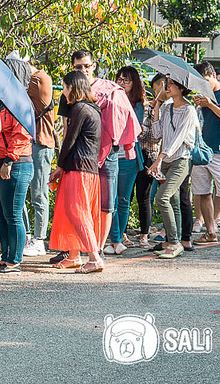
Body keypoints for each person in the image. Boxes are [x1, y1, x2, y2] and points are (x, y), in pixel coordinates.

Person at [52, 50, 140, 264]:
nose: (82, 70)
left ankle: (96, 251)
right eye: (78, 66)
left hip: (104, 153)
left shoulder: (109, 91)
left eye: (86, 66)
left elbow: (122, 121)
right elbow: (67, 131)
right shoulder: (71, 93)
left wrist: (61, 164)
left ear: (93, 66)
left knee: (103, 204)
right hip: (81, 158)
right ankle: (74, 253)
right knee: (75, 206)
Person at [48, 71, 104, 273]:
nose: (63, 91)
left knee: (76, 211)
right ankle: (73, 255)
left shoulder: (80, 108)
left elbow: (69, 140)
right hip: (87, 168)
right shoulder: (91, 108)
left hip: (79, 168)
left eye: (64, 87)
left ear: (72, 87)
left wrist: (59, 167)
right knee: (71, 211)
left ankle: (94, 257)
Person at [0, 59, 34, 275]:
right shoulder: (0, 100)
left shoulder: (19, 101)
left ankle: (14, 259)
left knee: (13, 213)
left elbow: (21, 134)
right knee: (1, 213)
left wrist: (9, 160)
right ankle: (6, 256)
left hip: (15, 163)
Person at [149, 77, 198, 259]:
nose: (166, 87)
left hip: (180, 161)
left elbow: (178, 139)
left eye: (170, 85)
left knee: (162, 198)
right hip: (168, 160)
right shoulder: (167, 108)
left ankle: (175, 242)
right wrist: (155, 111)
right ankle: (172, 241)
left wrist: (159, 159)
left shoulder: (189, 110)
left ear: (181, 88)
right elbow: (157, 134)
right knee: (174, 203)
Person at [191, 62, 220, 247]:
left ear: (211, 75)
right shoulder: (199, 96)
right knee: (203, 193)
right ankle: (210, 232)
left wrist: (210, 105)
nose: (201, 85)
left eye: (204, 81)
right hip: (200, 150)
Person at [105, 66, 146, 255]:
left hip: (128, 157)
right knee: (111, 199)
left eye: (126, 80)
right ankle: (114, 239)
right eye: (119, 79)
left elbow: (131, 128)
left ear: (134, 83)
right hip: (112, 155)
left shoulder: (137, 104)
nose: (121, 83)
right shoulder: (109, 99)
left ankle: (118, 238)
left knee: (123, 200)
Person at [24, 59, 55, 257]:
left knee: (38, 192)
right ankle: (28, 236)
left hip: (41, 143)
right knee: (22, 194)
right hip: (30, 142)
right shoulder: (35, 78)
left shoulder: (39, 78)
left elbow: (36, 105)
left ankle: (39, 238)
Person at [133, 73, 164, 248]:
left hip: (147, 154)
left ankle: (144, 235)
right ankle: (122, 234)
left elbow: (154, 137)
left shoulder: (150, 109)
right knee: (126, 196)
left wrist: (138, 130)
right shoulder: (129, 107)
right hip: (130, 153)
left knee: (144, 197)